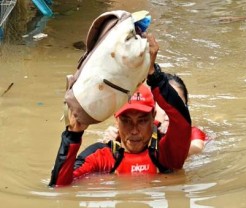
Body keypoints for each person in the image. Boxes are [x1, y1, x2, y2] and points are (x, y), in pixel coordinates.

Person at [49, 33, 192, 187]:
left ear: (153, 116)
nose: (134, 130)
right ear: (116, 119)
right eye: (126, 121)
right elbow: (59, 186)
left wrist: (154, 74)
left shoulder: (166, 153)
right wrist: (73, 135)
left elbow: (182, 122)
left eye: (142, 120)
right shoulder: (103, 155)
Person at [103, 73, 207, 156]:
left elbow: (196, 148)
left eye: (176, 106)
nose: (169, 112)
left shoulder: (193, 133)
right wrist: (111, 143)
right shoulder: (128, 129)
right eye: (164, 105)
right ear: (153, 108)